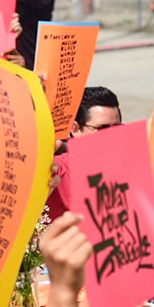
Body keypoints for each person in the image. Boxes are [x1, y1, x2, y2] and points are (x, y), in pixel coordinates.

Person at [45, 86, 123, 221]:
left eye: (117, 128)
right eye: (102, 129)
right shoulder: (56, 170)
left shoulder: (128, 169)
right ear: (75, 129)